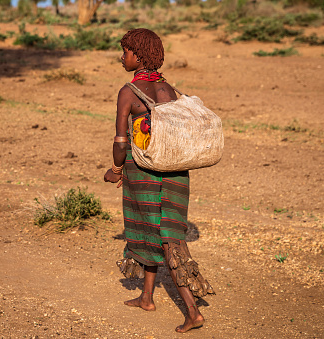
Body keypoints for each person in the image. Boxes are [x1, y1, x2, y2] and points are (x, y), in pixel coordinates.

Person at [104, 28, 213, 333]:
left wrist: (115, 169)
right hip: (177, 173)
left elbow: (121, 140)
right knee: (158, 229)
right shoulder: (169, 90)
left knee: (165, 238)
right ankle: (147, 297)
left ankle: (193, 312)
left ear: (138, 56)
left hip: (146, 173)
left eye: (125, 51)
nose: (121, 56)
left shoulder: (129, 91)